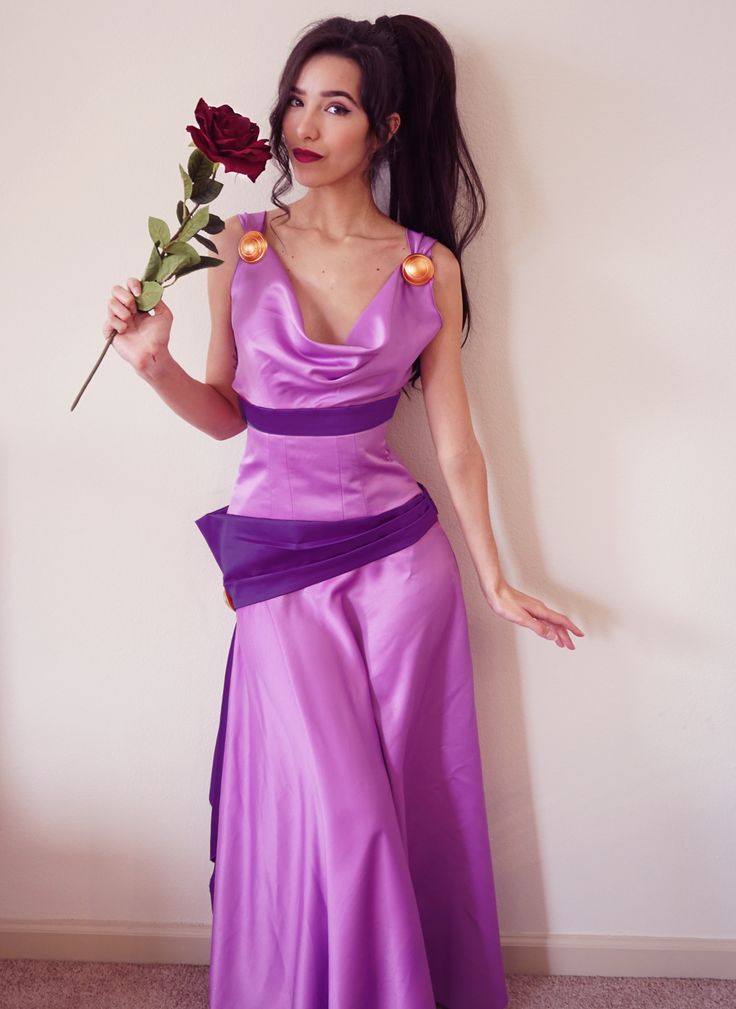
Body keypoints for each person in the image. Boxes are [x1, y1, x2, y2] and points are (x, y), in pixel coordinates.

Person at [103, 14, 583, 1009]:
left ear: (385, 128)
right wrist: (153, 368)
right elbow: (229, 417)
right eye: (297, 101)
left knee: (402, 809)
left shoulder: (426, 266)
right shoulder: (236, 245)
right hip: (279, 566)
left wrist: (494, 575)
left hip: (403, 570)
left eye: (337, 105)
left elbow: (455, 443)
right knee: (345, 817)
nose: (305, 125)